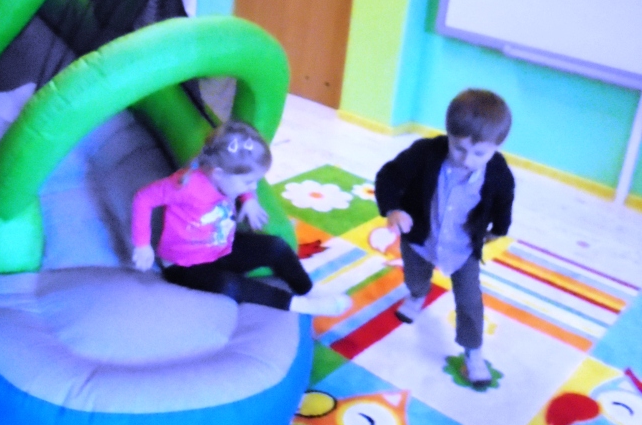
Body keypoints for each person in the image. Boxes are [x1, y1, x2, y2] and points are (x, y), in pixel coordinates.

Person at [131, 119, 350, 316]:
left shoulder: (226, 176)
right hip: (184, 265)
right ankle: (301, 305)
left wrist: (249, 198)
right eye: (248, 183)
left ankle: (308, 289)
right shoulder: (185, 186)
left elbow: (242, 183)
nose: (253, 186)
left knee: (275, 246)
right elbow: (143, 198)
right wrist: (142, 245)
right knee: (230, 285)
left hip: (221, 248)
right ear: (218, 173)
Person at [374, 89, 515, 388]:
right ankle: (417, 295)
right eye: (459, 148)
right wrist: (393, 209)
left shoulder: (499, 173)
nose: (467, 160)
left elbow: (504, 201)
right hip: (420, 239)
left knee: (470, 301)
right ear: (449, 134)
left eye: (480, 154)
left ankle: (473, 351)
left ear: (496, 146)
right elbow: (389, 176)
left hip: (463, 249)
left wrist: (499, 229)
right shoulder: (425, 153)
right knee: (415, 276)